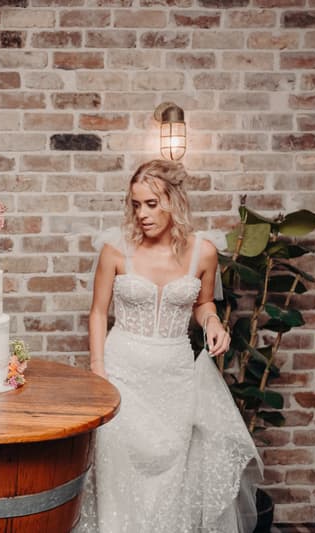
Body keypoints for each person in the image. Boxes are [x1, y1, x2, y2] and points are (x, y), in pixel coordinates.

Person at [77, 159, 262, 532]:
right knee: (117, 473)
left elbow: (204, 303)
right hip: (121, 374)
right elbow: (98, 313)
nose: (142, 214)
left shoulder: (203, 253)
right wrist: (99, 371)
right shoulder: (116, 251)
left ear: (175, 201)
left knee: (171, 475)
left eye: (151, 203)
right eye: (136, 204)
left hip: (174, 379)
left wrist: (214, 323)